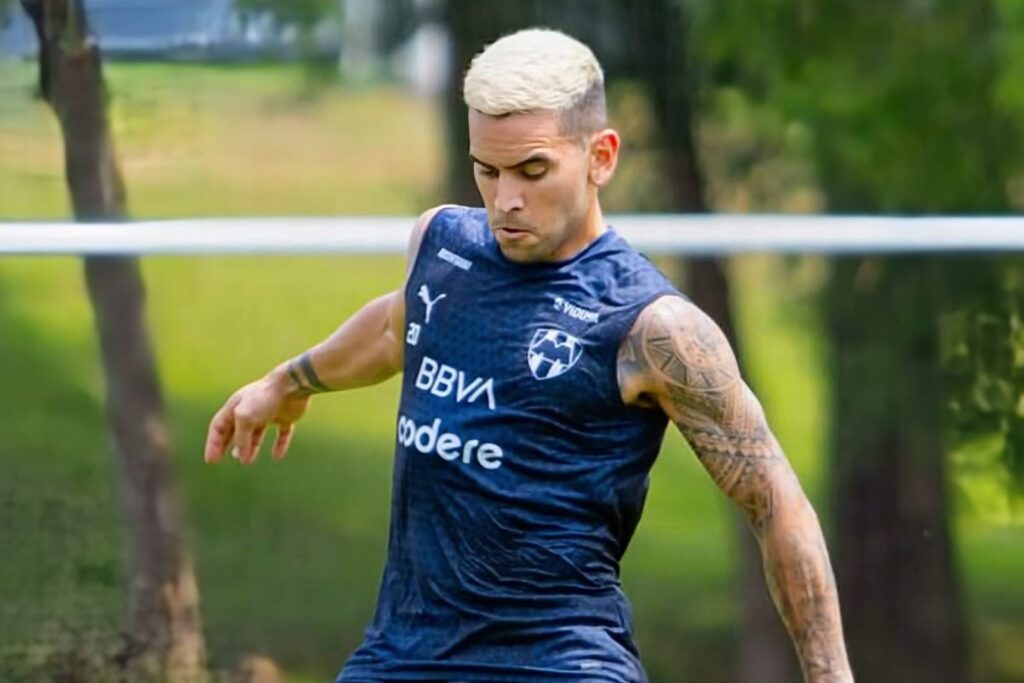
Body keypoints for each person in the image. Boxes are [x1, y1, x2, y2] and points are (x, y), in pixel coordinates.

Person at [204, 28, 853, 683]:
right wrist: (289, 381)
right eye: (487, 170)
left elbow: (775, 500)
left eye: (532, 170)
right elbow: (396, 326)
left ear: (600, 156)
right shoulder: (443, 245)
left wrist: (831, 677)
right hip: (402, 656)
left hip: (560, 664)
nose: (505, 200)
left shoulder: (653, 328)